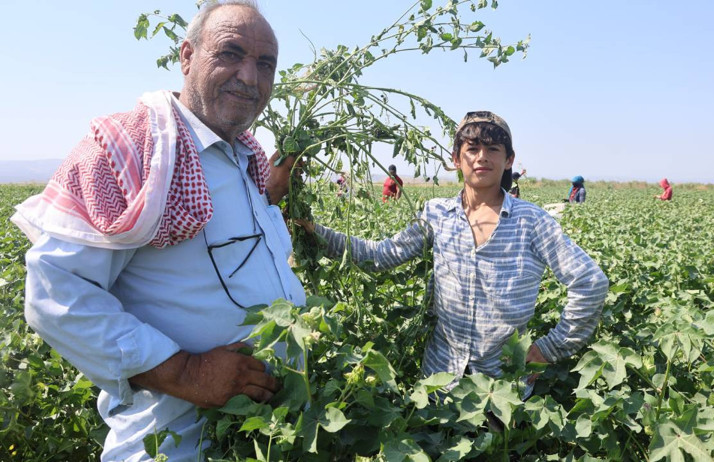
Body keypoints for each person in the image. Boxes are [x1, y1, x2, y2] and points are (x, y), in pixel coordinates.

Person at [11, 2, 305, 460]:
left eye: (264, 64)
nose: (250, 76)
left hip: (261, 435)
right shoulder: (132, 149)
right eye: (231, 53)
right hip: (175, 442)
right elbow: (56, 294)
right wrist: (186, 372)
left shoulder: (246, 158)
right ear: (187, 56)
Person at [299, 111, 608, 393]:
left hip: (502, 388)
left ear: (509, 160)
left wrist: (549, 349)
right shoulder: (437, 214)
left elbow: (590, 283)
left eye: (493, 150)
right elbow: (380, 255)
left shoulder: (532, 222)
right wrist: (315, 233)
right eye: (472, 149)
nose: (482, 158)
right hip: (439, 381)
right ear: (457, 158)